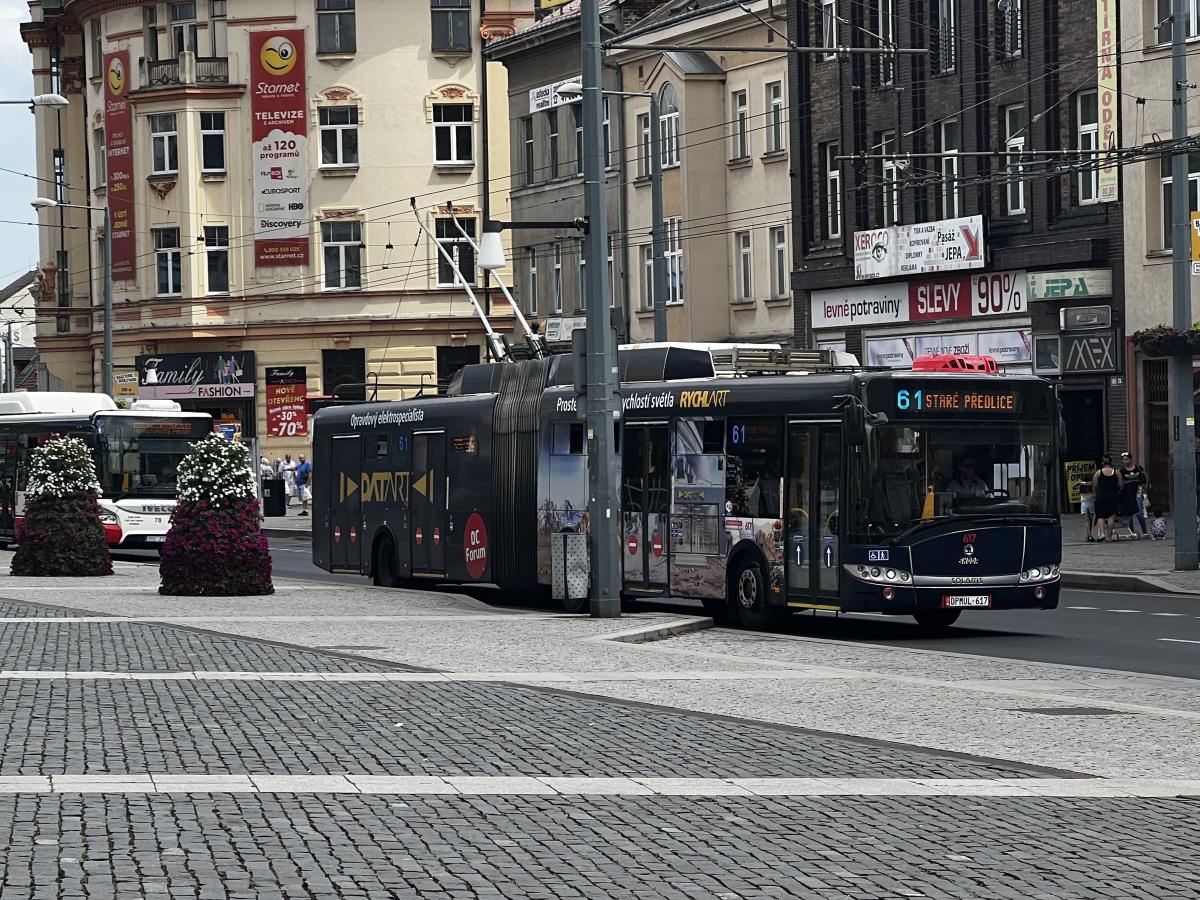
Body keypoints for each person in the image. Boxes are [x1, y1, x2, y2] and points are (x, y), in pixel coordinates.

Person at [1092, 455, 1124, 542]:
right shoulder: (1117, 472)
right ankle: (1109, 537)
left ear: (1102, 463)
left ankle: (1102, 533)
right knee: (1111, 516)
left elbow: (1095, 485)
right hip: (1113, 496)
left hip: (1101, 496)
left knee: (1100, 515)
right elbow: (1121, 485)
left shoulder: (1098, 473)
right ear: (1111, 462)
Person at [1119, 451, 1150, 539]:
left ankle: (1145, 532)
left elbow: (1146, 475)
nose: (1125, 461)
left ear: (1131, 459)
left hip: (1138, 493)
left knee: (1139, 513)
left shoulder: (1138, 468)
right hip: (1127, 495)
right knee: (1129, 514)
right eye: (1124, 460)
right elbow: (1120, 482)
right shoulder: (1122, 471)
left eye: (1127, 459)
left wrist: (1146, 485)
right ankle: (1132, 533)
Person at [1077, 472, 1097, 543]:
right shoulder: (1093, 486)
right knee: (1090, 520)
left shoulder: (1081, 486)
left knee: (1087, 521)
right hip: (1092, 502)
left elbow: (1075, 487)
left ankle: (1089, 535)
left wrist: (1080, 482)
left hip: (1084, 503)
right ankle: (1088, 535)